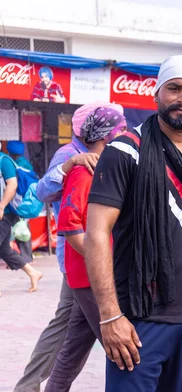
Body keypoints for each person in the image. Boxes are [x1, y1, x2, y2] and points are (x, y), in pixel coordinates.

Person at [84, 55, 182, 392]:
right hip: (139, 317)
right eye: (174, 88)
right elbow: (96, 234)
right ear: (156, 93)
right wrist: (110, 316)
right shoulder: (124, 150)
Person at [14, 102, 122, 392]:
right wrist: (68, 165)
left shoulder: (103, 154)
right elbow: (42, 192)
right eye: (115, 128)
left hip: (89, 257)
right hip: (81, 258)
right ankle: (28, 386)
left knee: (75, 331)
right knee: (94, 330)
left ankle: (36, 387)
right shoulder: (70, 154)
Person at [44, 107, 127, 392]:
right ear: (108, 137)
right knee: (121, 349)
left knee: (74, 348)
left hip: (92, 274)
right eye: (122, 132)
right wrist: (104, 261)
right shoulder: (82, 169)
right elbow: (69, 227)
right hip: (88, 276)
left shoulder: (105, 167)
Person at [0, 150, 43, 295]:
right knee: (4, 250)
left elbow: (12, 185)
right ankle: (33, 273)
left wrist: (1, 206)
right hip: (3, 211)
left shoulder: (3, 161)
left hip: (5, 212)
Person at [6, 141, 34, 264]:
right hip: (24, 202)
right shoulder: (25, 164)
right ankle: (24, 257)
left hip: (18, 202)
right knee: (21, 228)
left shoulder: (17, 166)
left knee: (20, 230)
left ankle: (25, 258)